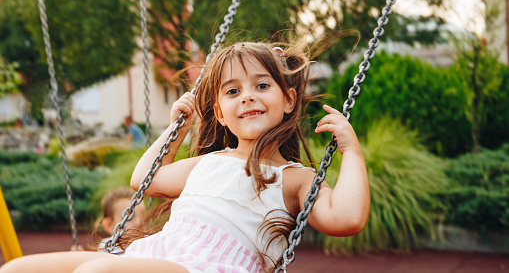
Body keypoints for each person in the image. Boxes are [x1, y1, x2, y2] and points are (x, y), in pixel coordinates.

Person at [0, 42, 370, 273]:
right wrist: (178, 127)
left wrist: (351, 150)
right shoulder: (210, 162)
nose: (247, 96)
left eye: (261, 85)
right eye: (233, 91)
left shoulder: (294, 178)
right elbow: (145, 179)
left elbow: (347, 217)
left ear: (288, 100)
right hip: (158, 257)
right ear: (221, 114)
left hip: (209, 268)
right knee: (18, 269)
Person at [95, 186, 146, 254]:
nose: (139, 222)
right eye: (129, 218)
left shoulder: (150, 242)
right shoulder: (107, 247)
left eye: (143, 216)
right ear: (109, 225)